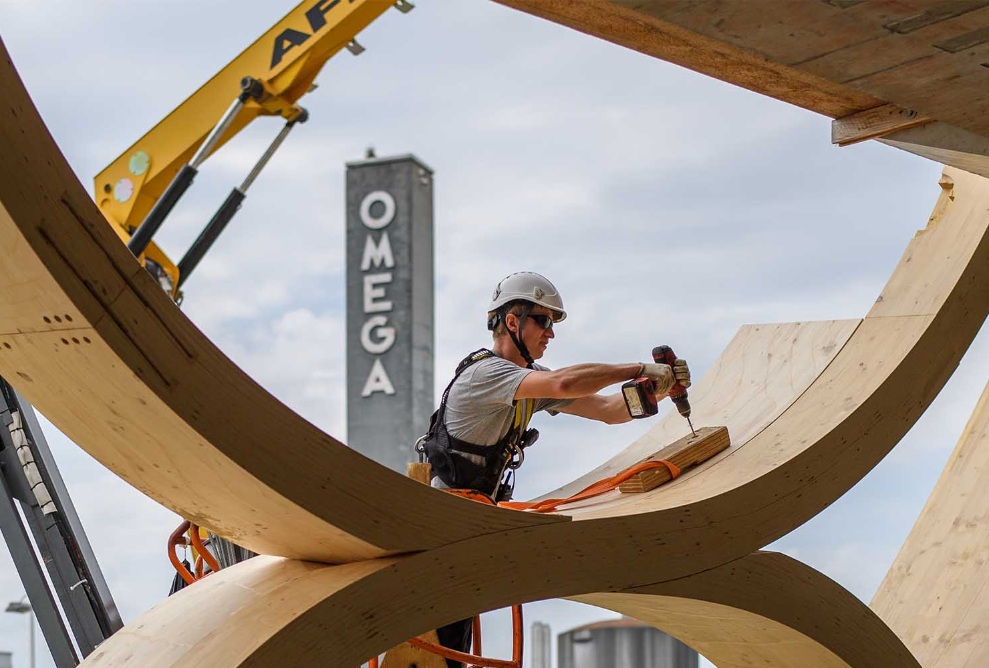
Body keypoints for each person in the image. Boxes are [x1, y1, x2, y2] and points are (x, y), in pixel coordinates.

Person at [420, 271, 690, 667]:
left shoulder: (530, 384)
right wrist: (638, 370)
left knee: (451, 652)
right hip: (442, 534)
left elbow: (606, 410)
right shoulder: (486, 375)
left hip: (467, 532)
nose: (550, 333)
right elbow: (566, 384)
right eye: (542, 321)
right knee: (436, 650)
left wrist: (659, 391)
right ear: (511, 322)